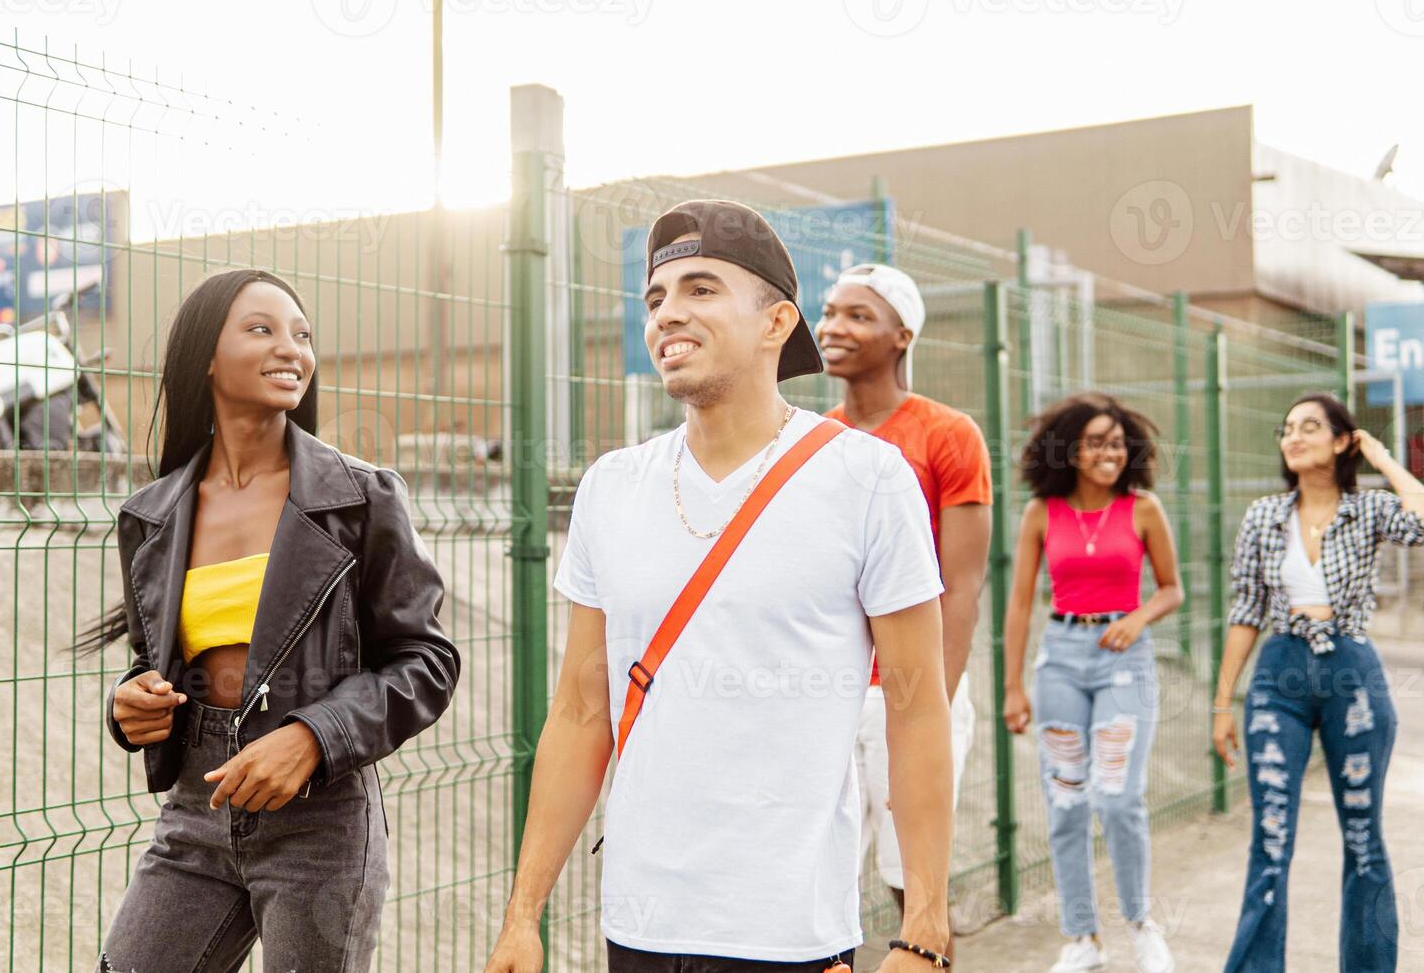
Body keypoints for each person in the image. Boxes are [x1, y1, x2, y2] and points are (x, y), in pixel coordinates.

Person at [484, 200, 955, 972]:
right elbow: (577, 710)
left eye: (701, 289)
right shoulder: (613, 485)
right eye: (656, 298)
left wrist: (925, 926)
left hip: (791, 933)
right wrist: (522, 914)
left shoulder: (868, 479)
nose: (669, 313)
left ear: (776, 324)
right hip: (639, 926)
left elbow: (915, 707)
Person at [74, 268, 461, 972]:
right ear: (207, 358)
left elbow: (425, 661)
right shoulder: (151, 515)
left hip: (322, 820)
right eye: (262, 329)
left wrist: (315, 736)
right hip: (195, 810)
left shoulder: (361, 498)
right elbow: (151, 657)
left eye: (302, 334)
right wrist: (131, 703)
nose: (293, 349)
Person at [1214, 393, 1424, 972]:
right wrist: (1221, 703)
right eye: (1287, 429)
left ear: (1341, 441)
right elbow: (1246, 610)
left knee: (1363, 839)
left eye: (1310, 426)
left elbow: (1422, 518)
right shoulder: (1263, 515)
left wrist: (1381, 457)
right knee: (1271, 837)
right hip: (1278, 672)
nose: (1294, 436)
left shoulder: (1371, 508)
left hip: (1351, 672)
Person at [818, 263, 991, 959]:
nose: (834, 326)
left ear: (902, 335)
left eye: (859, 315)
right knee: (816, 880)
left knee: (912, 886)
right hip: (827, 692)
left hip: (913, 692)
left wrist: (929, 711)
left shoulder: (948, 435)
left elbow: (962, 586)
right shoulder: (812, 440)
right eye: (829, 311)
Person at [1001, 393, 1182, 973]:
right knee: (1066, 801)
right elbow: (1020, 605)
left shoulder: (1144, 508)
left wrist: (1137, 617)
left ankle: (1140, 924)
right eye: (1097, 441)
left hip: (1122, 660)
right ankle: (1082, 938)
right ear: (1072, 450)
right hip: (1059, 659)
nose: (1110, 451)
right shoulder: (1040, 513)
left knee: (1119, 796)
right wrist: (1012, 686)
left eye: (1118, 441)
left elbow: (1172, 588)